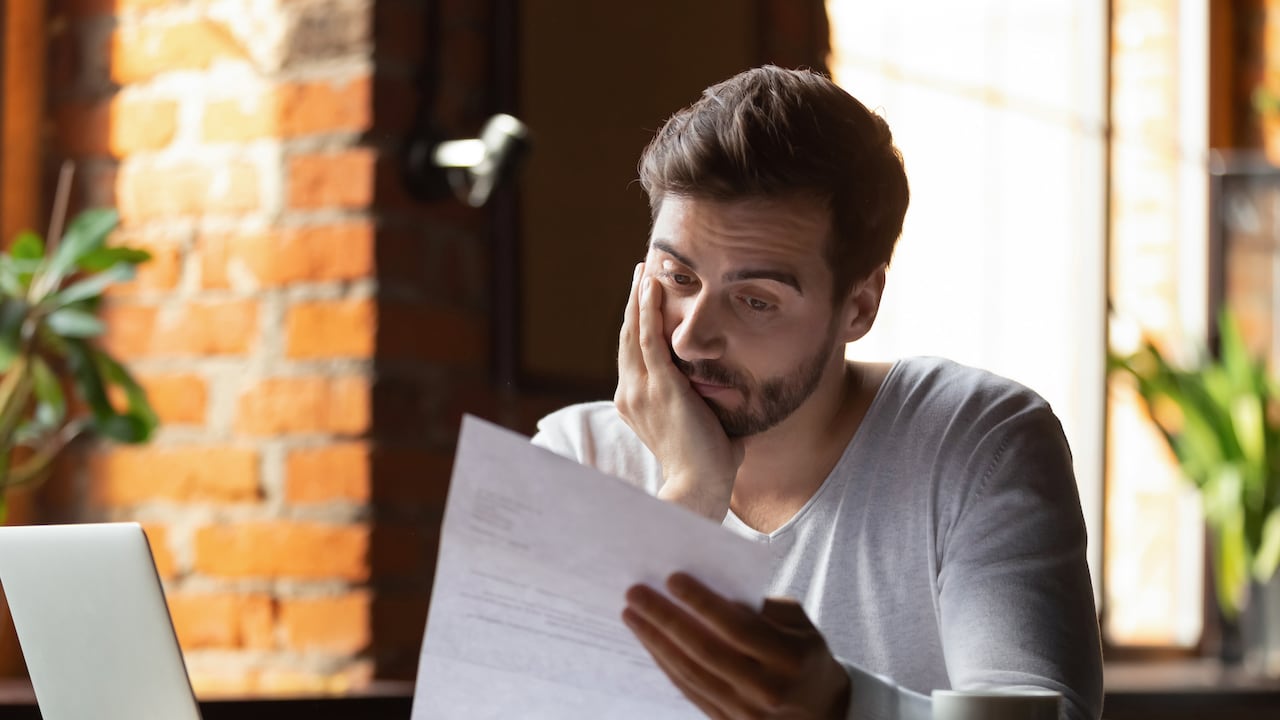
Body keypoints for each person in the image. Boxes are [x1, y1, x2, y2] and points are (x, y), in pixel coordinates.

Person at [531, 65, 1103, 720]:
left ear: (859, 306)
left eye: (755, 300)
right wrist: (691, 494)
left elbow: (1043, 713)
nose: (691, 338)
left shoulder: (977, 442)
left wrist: (842, 706)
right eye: (678, 278)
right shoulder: (577, 455)